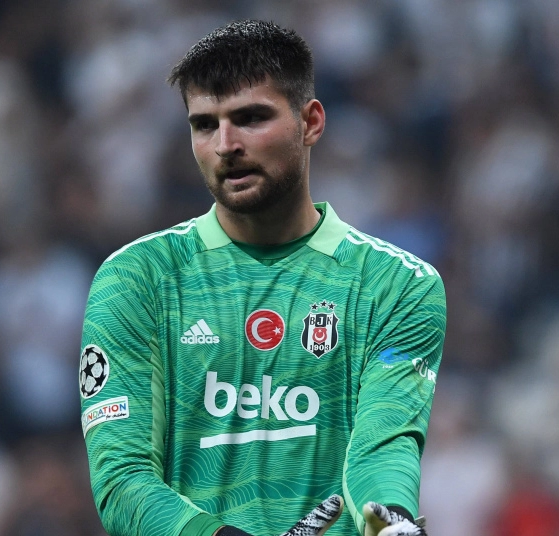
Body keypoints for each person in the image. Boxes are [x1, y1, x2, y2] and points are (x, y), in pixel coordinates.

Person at [79, 19, 446, 536]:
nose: (225, 144)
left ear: (310, 122)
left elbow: (383, 446)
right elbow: (122, 481)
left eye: (250, 118)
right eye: (205, 125)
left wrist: (392, 522)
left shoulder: (395, 284)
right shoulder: (137, 279)